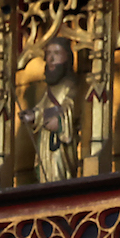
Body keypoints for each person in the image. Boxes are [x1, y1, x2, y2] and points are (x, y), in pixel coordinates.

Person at [20, 36, 84, 184]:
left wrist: (59, 120)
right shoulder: (50, 89)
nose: (51, 58)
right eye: (48, 54)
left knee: (59, 172)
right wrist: (33, 115)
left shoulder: (70, 85)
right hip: (45, 140)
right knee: (46, 173)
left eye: (56, 53)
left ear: (67, 57)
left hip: (59, 143)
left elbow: (71, 107)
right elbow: (42, 107)